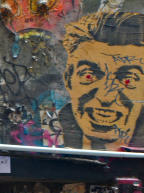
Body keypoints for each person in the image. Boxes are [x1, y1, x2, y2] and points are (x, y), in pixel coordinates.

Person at [61, 11, 144, 150]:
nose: (106, 97)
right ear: (68, 79)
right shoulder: (47, 146)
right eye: (89, 76)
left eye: (128, 80)